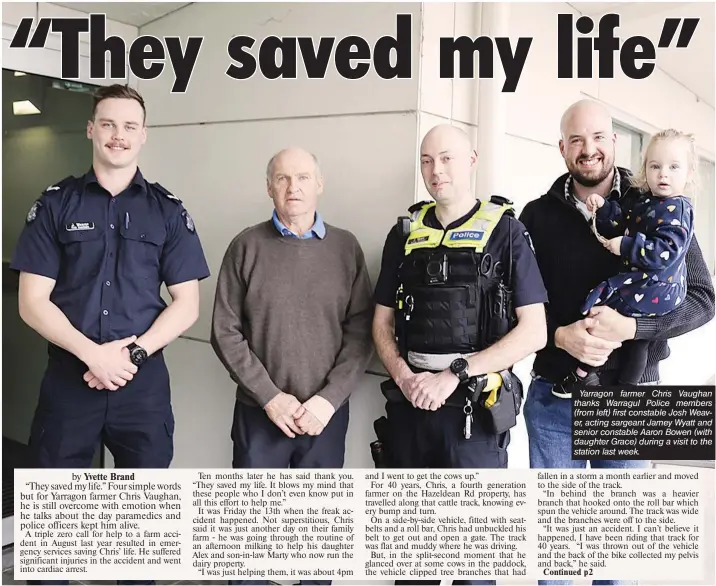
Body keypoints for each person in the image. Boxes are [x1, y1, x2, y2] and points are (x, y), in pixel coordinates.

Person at [10, 84, 210, 586]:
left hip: (140, 387)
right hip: (69, 380)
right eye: (108, 124)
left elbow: (187, 305)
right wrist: (92, 355)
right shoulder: (56, 203)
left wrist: (133, 354)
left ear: (143, 136)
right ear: (91, 130)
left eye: (129, 126)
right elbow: (32, 301)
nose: (118, 135)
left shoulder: (167, 210)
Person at [519, 99, 714, 584]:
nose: (590, 150)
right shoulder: (536, 216)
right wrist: (560, 336)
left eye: (599, 137)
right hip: (554, 397)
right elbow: (515, 308)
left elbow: (704, 299)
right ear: (562, 147)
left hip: (631, 395)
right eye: (577, 140)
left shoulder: (659, 203)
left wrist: (632, 329)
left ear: (613, 141)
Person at [372, 124, 548, 586]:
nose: (436, 170)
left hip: (475, 413)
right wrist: (405, 377)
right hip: (411, 410)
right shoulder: (403, 233)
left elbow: (535, 332)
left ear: (471, 159)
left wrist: (456, 372)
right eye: (427, 160)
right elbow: (381, 324)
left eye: (446, 158)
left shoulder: (507, 233)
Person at [210, 147, 374, 586]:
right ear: (269, 188)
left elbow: (362, 333)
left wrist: (327, 400)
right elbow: (224, 331)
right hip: (260, 416)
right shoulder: (246, 246)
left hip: (325, 418)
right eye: (282, 179)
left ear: (319, 184)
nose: (293, 187)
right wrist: (270, 398)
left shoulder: (346, 248)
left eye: (303, 178)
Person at [572, 129, 697, 386]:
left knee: (610, 317)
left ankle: (588, 374)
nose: (663, 173)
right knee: (631, 339)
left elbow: (665, 251)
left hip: (657, 289)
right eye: (655, 166)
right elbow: (624, 221)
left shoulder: (678, 209)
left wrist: (627, 246)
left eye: (674, 167)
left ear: (689, 174)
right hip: (646, 285)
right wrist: (604, 208)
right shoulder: (648, 200)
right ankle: (590, 373)